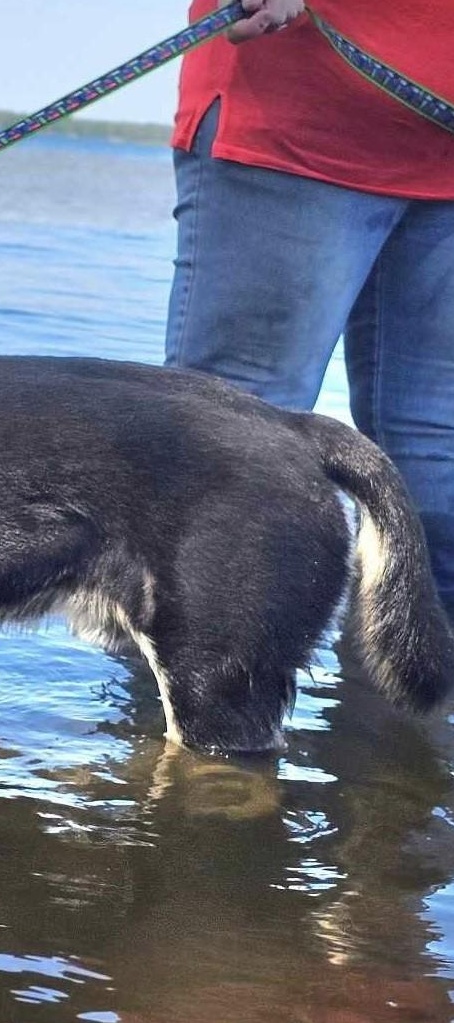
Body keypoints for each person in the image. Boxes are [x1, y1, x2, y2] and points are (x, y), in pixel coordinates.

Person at [164, 0, 454, 618]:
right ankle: (161, 705)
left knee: (436, 456)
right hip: (296, 115)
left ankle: (403, 706)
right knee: (237, 430)